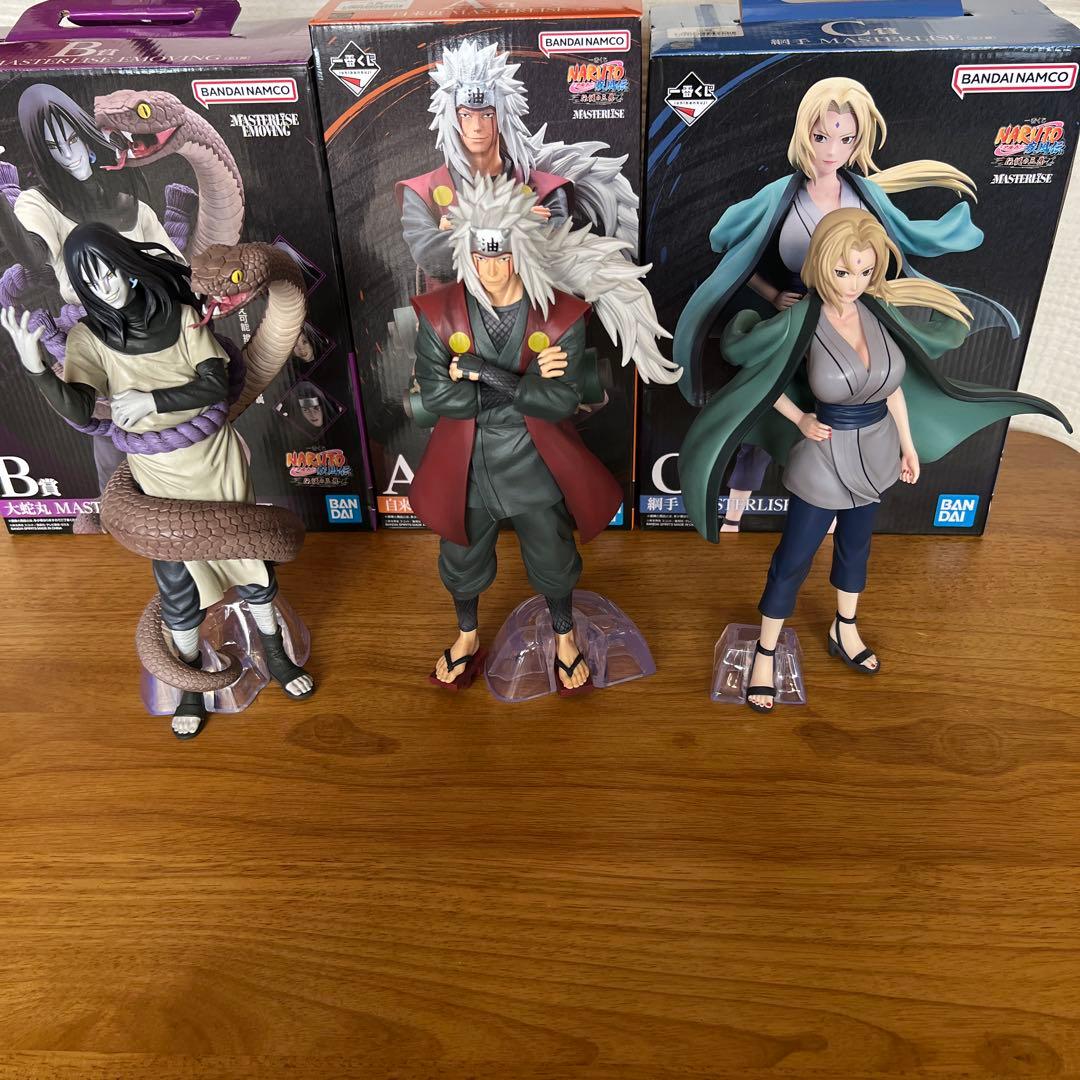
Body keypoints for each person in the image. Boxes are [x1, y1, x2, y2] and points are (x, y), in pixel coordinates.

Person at [677, 208, 1070, 712]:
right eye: (843, 271)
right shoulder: (800, 320)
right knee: (793, 558)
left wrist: (908, 444)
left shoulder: (878, 313)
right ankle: (766, 651)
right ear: (821, 264)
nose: (854, 283)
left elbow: (894, 389)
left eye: (865, 271)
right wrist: (800, 419)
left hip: (878, 449)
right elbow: (759, 381)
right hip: (824, 455)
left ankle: (845, 628)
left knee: (855, 547)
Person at [1, 223, 313, 739]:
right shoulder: (88, 338)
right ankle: (190, 682)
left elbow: (213, 383)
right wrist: (37, 371)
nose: (104, 287)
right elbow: (79, 409)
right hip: (158, 479)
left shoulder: (182, 316)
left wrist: (151, 401)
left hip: (216, 463)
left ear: (127, 265)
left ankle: (276, 654)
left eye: (108, 271)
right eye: (89, 280)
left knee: (252, 565)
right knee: (178, 589)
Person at [673, 76, 1016, 532]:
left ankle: (839, 504)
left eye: (846, 139)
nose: (832, 150)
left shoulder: (864, 194)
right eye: (821, 137)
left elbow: (896, 242)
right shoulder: (780, 195)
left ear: (858, 141)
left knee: (864, 398)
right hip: (796, 318)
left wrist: (873, 286)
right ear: (804, 133)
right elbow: (727, 245)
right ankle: (735, 513)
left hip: (853, 313)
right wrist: (773, 294)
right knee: (763, 403)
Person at [410, 173, 678, 694]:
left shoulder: (560, 315)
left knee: (553, 558)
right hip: (468, 462)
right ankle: (467, 636)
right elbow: (437, 396)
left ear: (521, 249)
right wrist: (525, 385)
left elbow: (559, 403)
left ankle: (564, 636)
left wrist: (485, 374)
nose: (490, 269)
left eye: (501, 256)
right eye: (480, 256)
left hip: (533, 458)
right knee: (460, 557)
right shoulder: (439, 314)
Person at [0, 84, 186, 494]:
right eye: (53, 147)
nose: (68, 154)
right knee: (112, 451)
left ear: (86, 135)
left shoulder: (133, 205)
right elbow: (33, 256)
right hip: (96, 337)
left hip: (160, 334)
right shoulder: (38, 203)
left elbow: (178, 270)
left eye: (72, 138)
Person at [397, 39, 637, 284]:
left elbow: (544, 255)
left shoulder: (547, 190)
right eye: (465, 115)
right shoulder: (420, 192)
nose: (477, 127)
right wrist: (518, 222)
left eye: (487, 114)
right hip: (450, 308)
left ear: (502, 116)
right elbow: (432, 257)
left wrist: (462, 229)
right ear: (450, 117)